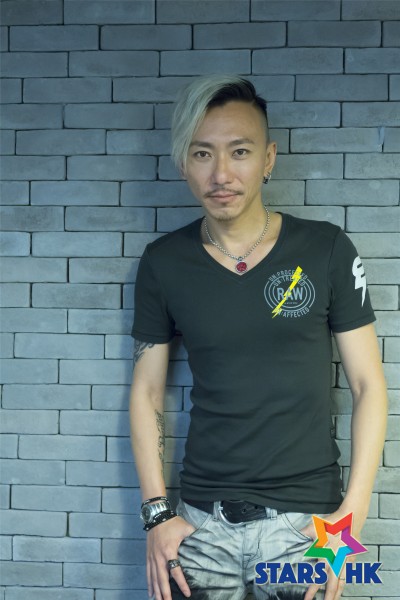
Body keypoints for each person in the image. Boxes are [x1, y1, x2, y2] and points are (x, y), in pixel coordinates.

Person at [129, 76, 387, 600]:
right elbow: (146, 392)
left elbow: (368, 386)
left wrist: (348, 521)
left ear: (268, 159)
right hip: (200, 529)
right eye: (202, 153)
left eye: (240, 151)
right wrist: (157, 515)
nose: (221, 174)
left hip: (306, 530)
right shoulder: (163, 262)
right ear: (183, 164)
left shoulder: (327, 250)